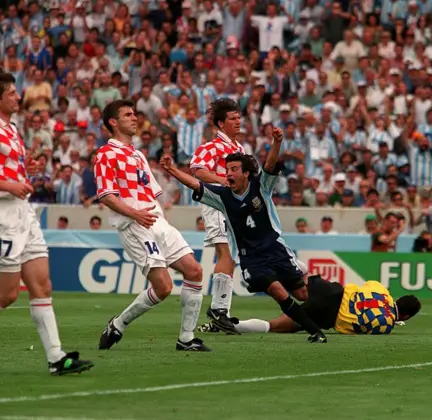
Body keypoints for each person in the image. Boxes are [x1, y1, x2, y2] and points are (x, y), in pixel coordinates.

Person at [0, 68, 93, 375]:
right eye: (12, 93)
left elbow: (3, 172)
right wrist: (11, 185)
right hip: (1, 215)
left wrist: (22, 172)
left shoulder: (11, 129)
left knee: (42, 285)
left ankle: (56, 358)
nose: (19, 96)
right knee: (8, 292)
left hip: (23, 211)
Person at [160, 126, 328, 343]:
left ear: (246, 173)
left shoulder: (261, 187)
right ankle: (316, 332)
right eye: (227, 169)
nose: (228, 173)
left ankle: (330, 303)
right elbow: (197, 184)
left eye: (233, 169)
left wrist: (277, 142)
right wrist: (172, 170)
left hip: (276, 250)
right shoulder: (221, 196)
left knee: (302, 295)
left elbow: (269, 165)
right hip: (252, 259)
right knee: (278, 291)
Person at [95, 99, 209, 352]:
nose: (134, 118)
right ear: (113, 122)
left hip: (157, 222)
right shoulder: (106, 154)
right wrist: (135, 214)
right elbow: (106, 195)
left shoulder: (137, 155)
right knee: (164, 287)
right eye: (128, 115)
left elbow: (151, 192)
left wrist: (163, 222)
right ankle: (118, 323)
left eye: (134, 114)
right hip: (134, 225)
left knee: (195, 271)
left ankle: (186, 339)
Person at [189, 98, 244, 334]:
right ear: (221, 123)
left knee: (230, 255)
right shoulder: (212, 147)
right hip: (217, 203)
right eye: (233, 118)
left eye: (239, 117)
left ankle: (221, 314)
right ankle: (219, 310)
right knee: (226, 253)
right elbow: (197, 169)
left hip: (234, 205)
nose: (238, 121)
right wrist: (223, 180)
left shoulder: (238, 149)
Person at [222, 273, 421, 336]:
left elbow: (364, 288)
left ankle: (281, 267)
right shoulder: (385, 324)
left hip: (332, 291)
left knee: (302, 281)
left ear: (397, 299)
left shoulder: (381, 290)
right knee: (274, 326)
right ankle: (232, 325)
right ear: (405, 316)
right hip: (328, 315)